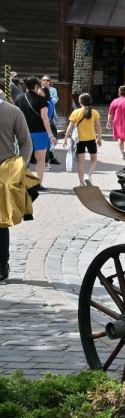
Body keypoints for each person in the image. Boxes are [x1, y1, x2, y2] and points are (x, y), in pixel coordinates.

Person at [0, 93, 33, 283]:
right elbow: (26, 143)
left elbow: (26, 143)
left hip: (4, 173)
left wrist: (18, 167)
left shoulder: (12, 111)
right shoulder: (14, 111)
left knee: (1, 222)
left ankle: (2, 264)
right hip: (7, 173)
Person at [16, 77, 55, 184]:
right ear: (36, 86)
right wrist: (51, 135)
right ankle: (39, 183)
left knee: (23, 158)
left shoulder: (19, 98)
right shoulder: (41, 100)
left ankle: (22, 182)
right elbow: (45, 118)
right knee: (40, 159)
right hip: (40, 132)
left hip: (23, 132)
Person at [65, 93, 102, 186]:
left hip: (79, 140)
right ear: (90, 101)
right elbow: (98, 127)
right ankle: (88, 176)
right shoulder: (94, 112)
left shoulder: (76, 112)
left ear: (79, 102)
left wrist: (66, 138)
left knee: (81, 162)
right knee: (93, 159)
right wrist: (99, 138)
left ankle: (81, 182)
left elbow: (70, 127)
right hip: (91, 139)